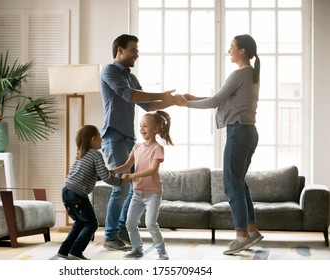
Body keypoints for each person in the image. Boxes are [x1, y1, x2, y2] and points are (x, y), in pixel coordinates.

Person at [177, 34, 263, 255]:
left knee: (231, 186)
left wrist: (186, 104)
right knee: (239, 182)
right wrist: (194, 98)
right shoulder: (252, 74)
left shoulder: (238, 74)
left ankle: (241, 236)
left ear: (242, 51)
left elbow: (215, 102)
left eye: (232, 47)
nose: (229, 51)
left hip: (238, 132)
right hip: (249, 132)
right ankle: (252, 231)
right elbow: (224, 99)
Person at [100, 34, 178, 250]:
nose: (136, 54)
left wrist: (171, 101)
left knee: (133, 188)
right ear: (120, 51)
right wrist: (161, 93)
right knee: (121, 189)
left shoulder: (131, 77)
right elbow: (129, 96)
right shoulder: (109, 70)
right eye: (133, 50)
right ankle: (110, 236)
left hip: (129, 137)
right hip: (114, 135)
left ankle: (122, 228)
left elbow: (147, 105)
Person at [57, 125, 128, 260]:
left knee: (79, 222)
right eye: (100, 136)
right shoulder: (96, 154)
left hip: (67, 192)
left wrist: (109, 172)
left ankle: (64, 250)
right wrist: (121, 182)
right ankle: (76, 251)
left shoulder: (80, 155)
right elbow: (106, 178)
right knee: (92, 224)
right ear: (93, 139)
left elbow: (93, 175)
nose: (101, 139)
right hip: (77, 194)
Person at [111, 110, 173, 260]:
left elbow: (152, 170)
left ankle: (161, 251)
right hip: (138, 192)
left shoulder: (158, 148)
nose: (141, 129)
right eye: (140, 126)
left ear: (156, 129)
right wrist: (114, 170)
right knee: (130, 223)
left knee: (150, 223)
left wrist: (132, 176)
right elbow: (127, 165)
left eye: (145, 126)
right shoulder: (137, 147)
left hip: (153, 193)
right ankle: (137, 249)